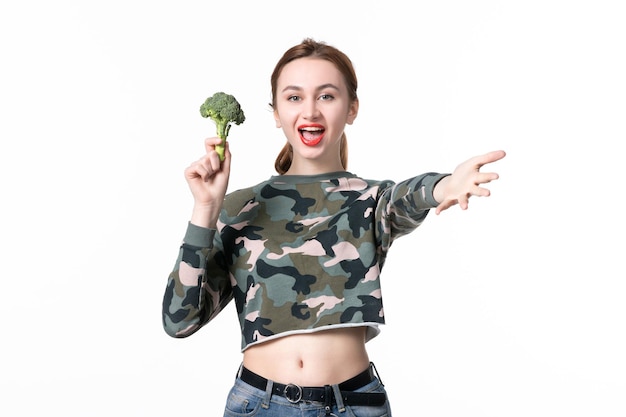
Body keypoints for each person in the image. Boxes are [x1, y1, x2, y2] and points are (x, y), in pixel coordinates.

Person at [162, 38, 506, 417]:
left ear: (352, 108)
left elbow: (408, 197)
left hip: (354, 405)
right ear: (276, 112)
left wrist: (445, 185)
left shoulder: (371, 202)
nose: (310, 110)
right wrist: (205, 209)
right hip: (258, 405)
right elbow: (179, 321)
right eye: (294, 98)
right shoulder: (239, 207)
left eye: (326, 96)